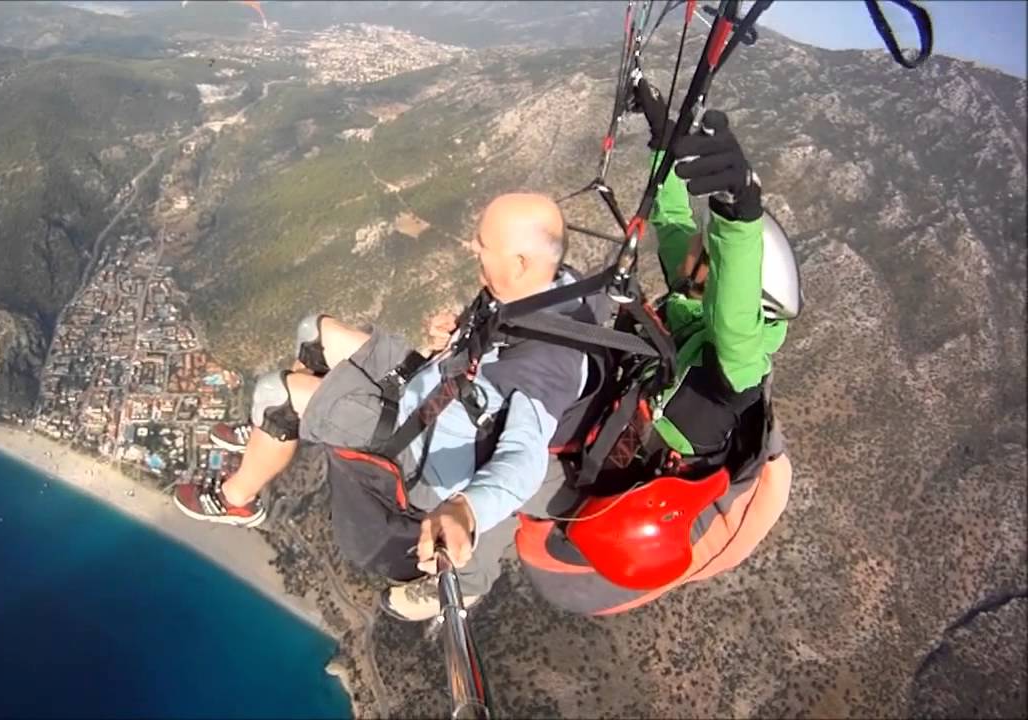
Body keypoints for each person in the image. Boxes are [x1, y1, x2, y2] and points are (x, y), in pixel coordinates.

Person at [174, 192, 593, 621]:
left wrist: (466, 509)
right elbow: (487, 364)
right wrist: (450, 342)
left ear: (520, 262)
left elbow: (523, 460)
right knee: (313, 332)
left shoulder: (549, 360)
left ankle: (238, 498)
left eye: (483, 244)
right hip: (429, 391)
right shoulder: (545, 289)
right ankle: (276, 431)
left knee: (273, 394)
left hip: (419, 448)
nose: (473, 248)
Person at [514, 79, 799, 616]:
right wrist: (664, 138)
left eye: (708, 248)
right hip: (595, 452)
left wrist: (739, 218)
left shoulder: (731, 378)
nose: (695, 239)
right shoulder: (691, 305)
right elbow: (671, 222)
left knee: (473, 448)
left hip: (590, 525)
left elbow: (736, 328)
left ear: (721, 282)